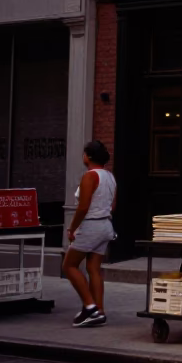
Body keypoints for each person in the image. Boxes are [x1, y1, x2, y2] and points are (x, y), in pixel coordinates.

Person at [63, 140, 117, 327]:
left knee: (69, 265)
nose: (83, 156)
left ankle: (90, 307)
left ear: (89, 156)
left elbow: (83, 207)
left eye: (84, 153)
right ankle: (99, 311)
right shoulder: (109, 177)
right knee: (94, 269)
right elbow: (112, 206)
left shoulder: (90, 176)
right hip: (105, 226)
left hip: (91, 225)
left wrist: (72, 228)